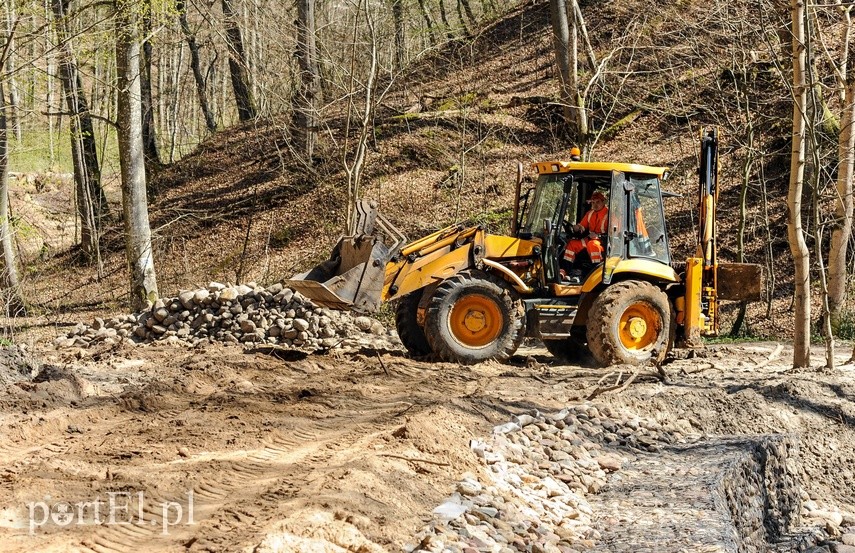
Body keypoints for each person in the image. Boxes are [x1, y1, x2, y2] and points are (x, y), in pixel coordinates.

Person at [563, 191, 608, 270]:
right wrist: (577, 227)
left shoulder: (609, 214)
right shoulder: (590, 213)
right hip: (589, 239)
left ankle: (596, 270)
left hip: (603, 241)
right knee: (572, 244)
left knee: (593, 245)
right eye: (593, 202)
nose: (595, 205)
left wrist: (599, 236)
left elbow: (615, 233)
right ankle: (565, 270)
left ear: (603, 202)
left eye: (598, 202)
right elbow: (582, 226)